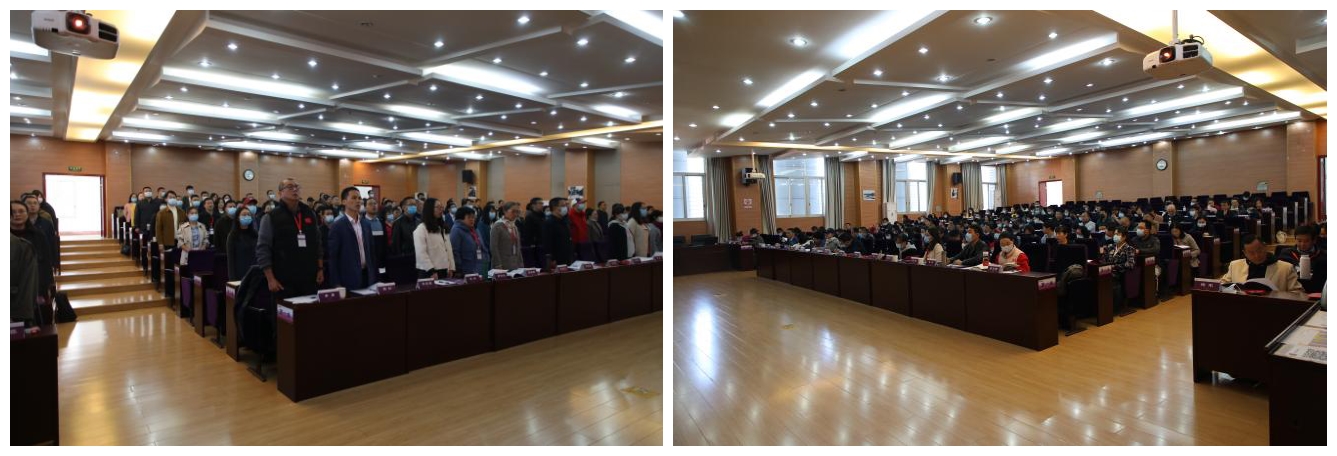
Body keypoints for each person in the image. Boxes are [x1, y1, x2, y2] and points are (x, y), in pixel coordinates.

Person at [256, 178, 325, 297]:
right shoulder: (271, 217)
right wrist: (270, 279)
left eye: (297, 187)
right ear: (280, 193)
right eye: (290, 187)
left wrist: (320, 268)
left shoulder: (309, 213)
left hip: (309, 277)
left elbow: (317, 243)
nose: (295, 189)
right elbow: (263, 249)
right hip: (283, 279)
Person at [325, 187, 378, 290]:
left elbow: (371, 253)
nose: (358, 201)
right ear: (344, 202)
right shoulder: (337, 226)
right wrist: (336, 283)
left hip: (368, 276)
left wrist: (375, 276)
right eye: (354, 198)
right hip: (348, 278)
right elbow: (333, 257)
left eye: (359, 198)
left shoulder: (366, 224)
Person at [1221, 234, 1304, 294]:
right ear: (1245, 253)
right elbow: (1223, 286)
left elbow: (1298, 293)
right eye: (1251, 253)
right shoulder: (1235, 265)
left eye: (1259, 250)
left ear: (1265, 247)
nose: (1257, 255)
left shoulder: (1286, 268)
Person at [12, 201, 53, 321]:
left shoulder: (38, 235)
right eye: (13, 212)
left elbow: (46, 262)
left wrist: (45, 287)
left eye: (21, 211)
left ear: (27, 213)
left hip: (34, 286)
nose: (17, 215)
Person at [414, 198, 456, 279]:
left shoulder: (442, 227)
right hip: (429, 271)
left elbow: (448, 249)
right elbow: (421, 253)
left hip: (444, 269)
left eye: (441, 207)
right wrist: (431, 271)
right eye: (438, 207)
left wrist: (451, 267)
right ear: (429, 209)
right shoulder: (421, 228)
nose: (441, 210)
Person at [1277, 225, 1325, 293]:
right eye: (1299, 241)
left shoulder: (1323, 256)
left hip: (1315, 291)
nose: (1302, 244)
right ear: (1295, 239)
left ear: (1314, 240)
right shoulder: (1286, 254)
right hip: (1292, 291)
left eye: (1306, 241)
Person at [21, 194, 58, 271]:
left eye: (35, 203)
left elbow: (52, 243)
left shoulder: (46, 223)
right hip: (24, 261)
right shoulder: (20, 224)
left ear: (39, 206)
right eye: (29, 203)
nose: (32, 205)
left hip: (43, 261)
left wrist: (54, 262)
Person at [449, 206, 489, 276]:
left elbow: (482, 247)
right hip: (466, 270)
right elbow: (455, 251)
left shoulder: (475, 229)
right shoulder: (456, 230)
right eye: (469, 217)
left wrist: (486, 259)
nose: (472, 219)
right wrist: (459, 269)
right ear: (461, 218)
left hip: (480, 267)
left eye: (473, 217)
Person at [541, 197, 576, 268]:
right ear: (554, 207)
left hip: (567, 256)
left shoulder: (564, 221)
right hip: (557, 259)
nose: (566, 208)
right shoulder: (549, 222)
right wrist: (552, 259)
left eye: (566, 205)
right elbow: (547, 242)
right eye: (563, 205)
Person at [226, 206, 258, 281]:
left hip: (254, 272)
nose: (247, 216)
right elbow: (231, 260)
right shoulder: (233, 236)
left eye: (248, 215)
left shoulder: (255, 234)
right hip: (239, 274)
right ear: (237, 218)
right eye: (244, 215)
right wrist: (232, 279)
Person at [489, 202, 523, 271]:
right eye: (513, 211)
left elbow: (518, 247)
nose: (515, 214)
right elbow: (493, 247)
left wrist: (521, 263)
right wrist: (497, 264)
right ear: (505, 211)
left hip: (515, 264)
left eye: (517, 212)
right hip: (502, 264)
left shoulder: (514, 226)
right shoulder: (497, 226)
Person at [363, 197, 388, 268]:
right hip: (367, 260)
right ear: (365, 207)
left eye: (375, 203)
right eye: (370, 204)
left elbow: (384, 241)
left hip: (381, 259)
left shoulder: (381, 222)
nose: (373, 206)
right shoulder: (361, 223)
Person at [521, 197, 545, 267]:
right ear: (533, 205)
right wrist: (532, 244)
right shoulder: (530, 217)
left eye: (542, 203)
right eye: (540, 203)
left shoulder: (543, 216)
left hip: (543, 244)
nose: (542, 205)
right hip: (535, 247)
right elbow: (527, 233)